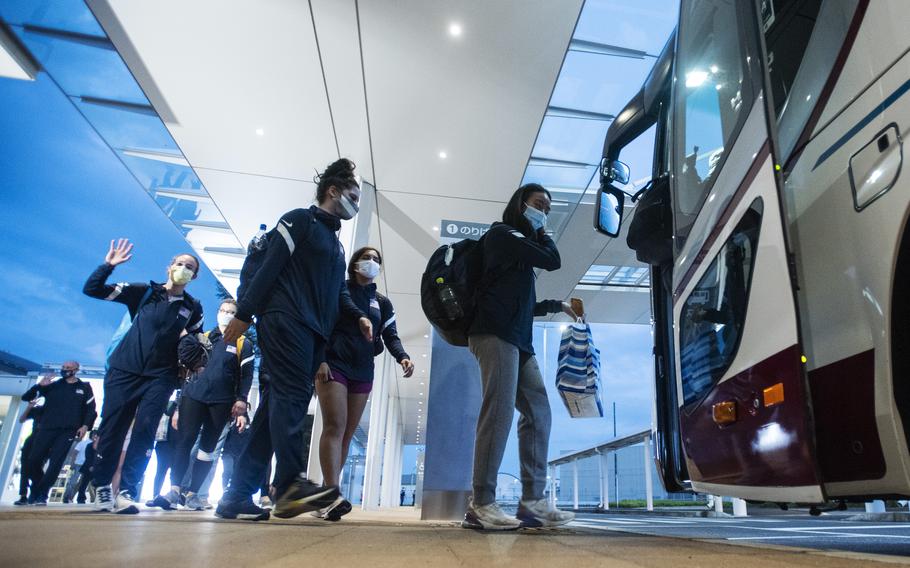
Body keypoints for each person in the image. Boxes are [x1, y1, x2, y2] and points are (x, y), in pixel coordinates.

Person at [216, 158, 372, 521]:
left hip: (311, 332)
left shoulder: (335, 247)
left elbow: (334, 300)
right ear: (332, 191)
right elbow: (269, 265)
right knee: (289, 396)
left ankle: (237, 494)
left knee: (275, 405)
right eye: (352, 195)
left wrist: (324, 350)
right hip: (284, 319)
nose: (356, 204)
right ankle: (288, 485)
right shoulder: (299, 220)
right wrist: (244, 313)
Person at [463, 183, 578, 530]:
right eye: (538, 204)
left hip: (517, 339)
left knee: (538, 411)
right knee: (498, 414)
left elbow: (524, 306)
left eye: (547, 207)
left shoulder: (518, 254)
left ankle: (532, 502)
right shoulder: (503, 234)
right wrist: (542, 230)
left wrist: (557, 306)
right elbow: (553, 260)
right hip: (494, 334)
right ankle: (480, 503)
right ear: (520, 204)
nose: (543, 210)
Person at [83, 240, 204, 513]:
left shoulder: (192, 307)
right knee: (113, 429)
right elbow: (92, 289)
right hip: (124, 371)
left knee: (144, 432)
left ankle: (127, 490)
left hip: (161, 377)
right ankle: (101, 484)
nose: (183, 269)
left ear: (194, 277)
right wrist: (108, 266)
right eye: (180, 264)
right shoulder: (144, 292)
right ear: (170, 267)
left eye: (190, 267)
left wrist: (194, 359)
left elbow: (195, 341)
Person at [315, 246, 414, 521]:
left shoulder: (381, 303)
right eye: (366, 257)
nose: (371, 262)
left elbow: (390, 335)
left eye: (376, 259)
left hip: (363, 370)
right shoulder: (338, 290)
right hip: (333, 364)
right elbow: (321, 325)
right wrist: (319, 359)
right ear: (354, 263)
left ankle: (326, 495)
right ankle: (332, 493)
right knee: (334, 425)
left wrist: (403, 357)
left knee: (346, 433)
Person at [153, 298, 253, 511]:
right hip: (193, 396)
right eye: (223, 310)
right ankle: (174, 489)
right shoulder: (203, 337)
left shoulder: (243, 343)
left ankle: (193, 494)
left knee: (208, 449)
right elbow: (187, 371)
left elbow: (246, 375)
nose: (226, 314)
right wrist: (179, 406)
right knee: (185, 441)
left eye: (231, 311)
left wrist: (241, 400)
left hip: (222, 401)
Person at [21, 362, 96, 506]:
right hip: (46, 428)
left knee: (56, 462)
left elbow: (91, 409)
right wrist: (39, 386)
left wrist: (85, 426)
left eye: (68, 368)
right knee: (32, 461)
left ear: (76, 370)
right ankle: (36, 487)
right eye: (63, 368)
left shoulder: (84, 387)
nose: (65, 370)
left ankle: (42, 493)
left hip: (68, 430)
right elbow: (26, 397)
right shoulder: (52, 385)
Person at [13, 401, 45, 506]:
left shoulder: (56, 411)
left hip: (44, 443)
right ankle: (23, 496)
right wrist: (29, 407)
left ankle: (36, 493)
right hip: (31, 441)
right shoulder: (38, 409)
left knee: (36, 468)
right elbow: (21, 419)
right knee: (25, 469)